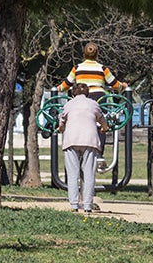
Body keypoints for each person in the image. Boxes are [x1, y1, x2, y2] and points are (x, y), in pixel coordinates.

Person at [58, 83, 109, 213]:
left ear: (73, 93)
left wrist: (61, 129)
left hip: (71, 140)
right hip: (90, 140)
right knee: (89, 173)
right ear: (87, 93)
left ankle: (74, 205)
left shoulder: (69, 104)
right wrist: (104, 128)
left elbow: (62, 121)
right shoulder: (93, 104)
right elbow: (102, 120)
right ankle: (87, 205)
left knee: (72, 173)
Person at [57, 42, 126, 100]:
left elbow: (67, 84)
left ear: (84, 54)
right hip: (99, 97)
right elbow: (115, 84)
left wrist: (59, 88)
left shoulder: (77, 68)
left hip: (82, 97)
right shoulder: (102, 68)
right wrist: (123, 86)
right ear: (96, 55)